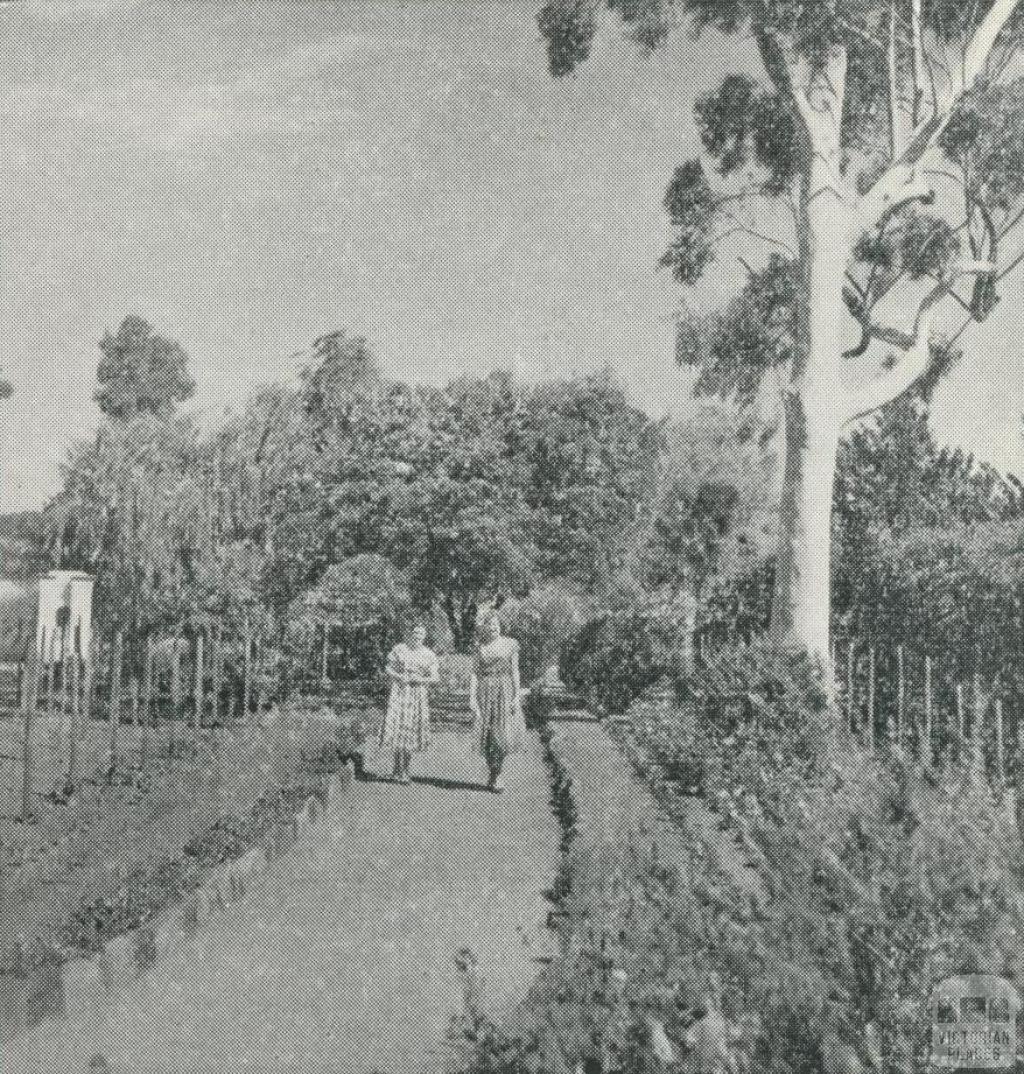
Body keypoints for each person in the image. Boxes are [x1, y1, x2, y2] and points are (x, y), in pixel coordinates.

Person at [469, 612, 526, 792]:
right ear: (484, 628)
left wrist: (517, 695)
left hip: (505, 690)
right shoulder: (479, 647)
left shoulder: (511, 644)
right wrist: (471, 697)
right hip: (485, 691)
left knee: (501, 733)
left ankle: (498, 773)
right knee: (487, 735)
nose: (493, 627)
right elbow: (475, 673)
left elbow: (515, 671)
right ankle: (492, 772)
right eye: (489, 625)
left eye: (496, 624)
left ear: (500, 626)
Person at [379, 619, 439, 784]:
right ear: (410, 634)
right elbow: (387, 668)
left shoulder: (429, 654)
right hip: (400, 692)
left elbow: (435, 677)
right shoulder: (400, 649)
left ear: (425, 635)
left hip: (417, 694)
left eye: (420, 633)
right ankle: (396, 769)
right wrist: (399, 676)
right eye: (415, 633)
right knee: (398, 728)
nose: (417, 636)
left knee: (411, 729)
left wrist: (420, 679)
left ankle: (405, 770)